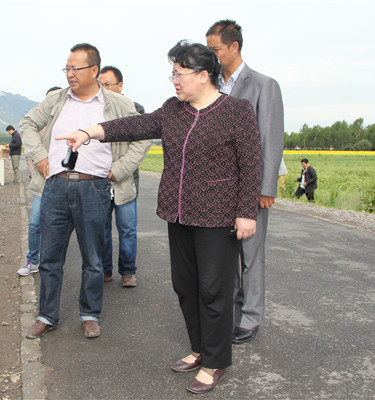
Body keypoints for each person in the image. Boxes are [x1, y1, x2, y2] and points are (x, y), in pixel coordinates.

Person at [56, 41, 262, 394]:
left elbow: (251, 164)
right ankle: (199, 348)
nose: (174, 81)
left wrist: (246, 213)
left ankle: (215, 361)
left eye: (179, 74)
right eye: (173, 75)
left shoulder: (236, 111)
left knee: (213, 289)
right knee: (185, 286)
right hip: (178, 213)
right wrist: (89, 133)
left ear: (203, 75)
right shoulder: (172, 110)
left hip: (217, 216)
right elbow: (134, 126)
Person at [20, 43, 138, 339]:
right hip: (56, 186)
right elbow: (28, 123)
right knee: (50, 257)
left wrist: (121, 168)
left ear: (94, 70)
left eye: (76, 68)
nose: (70, 74)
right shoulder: (57, 99)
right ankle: (46, 316)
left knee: (93, 258)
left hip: (94, 188)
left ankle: (90, 314)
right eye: (67, 68)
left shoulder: (116, 103)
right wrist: (39, 156)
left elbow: (142, 134)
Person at [206, 19, 284, 344]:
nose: (211, 55)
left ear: (234, 46)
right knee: (226, 257)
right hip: (218, 187)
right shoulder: (210, 84)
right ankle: (232, 313)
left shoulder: (264, 85)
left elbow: (270, 140)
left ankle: (251, 317)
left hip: (251, 186)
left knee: (250, 255)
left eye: (215, 49)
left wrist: (266, 188)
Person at [97, 66, 152, 287]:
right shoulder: (94, 110)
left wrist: (119, 170)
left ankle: (128, 271)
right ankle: (104, 269)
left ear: (120, 86)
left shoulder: (134, 110)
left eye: (107, 84)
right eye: (100, 84)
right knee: (101, 230)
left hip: (125, 180)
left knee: (127, 229)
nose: (103, 89)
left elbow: (141, 144)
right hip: (99, 181)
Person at [17, 86, 62, 277]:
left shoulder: (67, 122)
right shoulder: (38, 127)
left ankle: (55, 263)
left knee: (60, 225)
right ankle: (32, 260)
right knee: (35, 223)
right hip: (43, 182)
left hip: (65, 181)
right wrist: (35, 170)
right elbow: (30, 155)